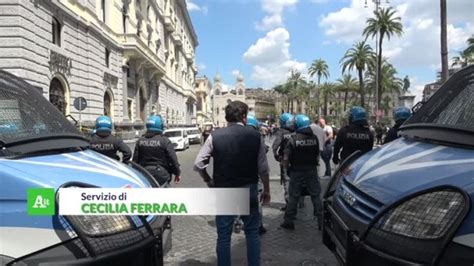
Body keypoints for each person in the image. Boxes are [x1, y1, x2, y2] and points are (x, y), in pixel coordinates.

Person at [194, 101, 271, 266]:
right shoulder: (255, 136)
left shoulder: (215, 136)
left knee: (223, 235)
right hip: (248, 188)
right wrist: (267, 190)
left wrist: (208, 180)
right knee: (251, 233)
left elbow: (199, 163)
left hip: (225, 190)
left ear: (227, 117)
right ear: (244, 117)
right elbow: (263, 169)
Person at [280, 114, 323, 231]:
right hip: (311, 170)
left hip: (296, 171)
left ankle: (289, 221)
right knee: (315, 195)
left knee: (294, 196)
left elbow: (285, 158)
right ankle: (321, 221)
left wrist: (286, 168)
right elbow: (317, 155)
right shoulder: (314, 138)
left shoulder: (293, 139)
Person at [132, 115, 181, 186]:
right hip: (161, 173)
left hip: (144, 173)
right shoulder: (165, 141)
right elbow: (173, 159)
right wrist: (177, 173)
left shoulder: (140, 141)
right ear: (159, 126)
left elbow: (135, 161)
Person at [247, 115, 268, 235]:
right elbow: (263, 165)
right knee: (257, 201)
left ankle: (238, 221)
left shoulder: (236, 137)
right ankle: (259, 225)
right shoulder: (257, 137)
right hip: (255, 175)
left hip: (239, 175)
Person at [272, 113, 294, 210]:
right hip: (296, 160)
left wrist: (276, 155)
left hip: (285, 160)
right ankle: (299, 202)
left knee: (287, 181)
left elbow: (275, 145)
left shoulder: (281, 132)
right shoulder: (297, 131)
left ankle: (289, 205)